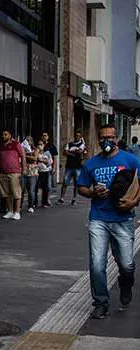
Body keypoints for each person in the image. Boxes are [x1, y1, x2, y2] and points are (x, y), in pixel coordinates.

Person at [77, 124, 140, 319]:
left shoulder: (131, 160)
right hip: (99, 219)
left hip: (123, 219)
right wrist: (92, 191)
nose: (107, 141)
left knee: (127, 264)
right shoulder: (91, 164)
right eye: (103, 137)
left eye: (111, 137)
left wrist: (133, 201)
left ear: (117, 137)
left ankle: (126, 283)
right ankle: (101, 303)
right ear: (98, 139)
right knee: (97, 264)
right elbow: (81, 187)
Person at [0, 129, 26, 220]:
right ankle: (10, 211)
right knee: (6, 193)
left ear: (10, 135)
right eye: (2, 134)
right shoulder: (0, 146)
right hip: (3, 172)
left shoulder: (16, 144)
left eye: (5, 134)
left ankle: (17, 212)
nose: (3, 136)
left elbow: (23, 156)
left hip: (14, 172)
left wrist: (23, 169)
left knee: (16, 192)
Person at [58, 130, 87, 205]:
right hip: (69, 166)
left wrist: (70, 152)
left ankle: (74, 199)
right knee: (65, 182)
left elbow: (80, 151)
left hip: (77, 167)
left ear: (80, 137)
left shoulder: (82, 144)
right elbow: (64, 152)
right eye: (76, 135)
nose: (77, 137)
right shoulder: (69, 144)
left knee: (76, 184)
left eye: (78, 136)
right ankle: (61, 198)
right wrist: (73, 152)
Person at [21, 136, 39, 213]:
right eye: (26, 140)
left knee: (31, 190)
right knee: (21, 189)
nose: (27, 141)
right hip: (24, 170)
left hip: (32, 171)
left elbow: (35, 158)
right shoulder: (22, 148)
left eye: (29, 140)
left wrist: (24, 155)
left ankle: (31, 205)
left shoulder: (35, 149)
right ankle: (19, 206)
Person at [41, 131, 59, 200]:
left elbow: (55, 157)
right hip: (40, 168)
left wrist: (54, 168)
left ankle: (47, 199)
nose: (44, 137)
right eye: (43, 136)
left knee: (48, 185)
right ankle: (43, 200)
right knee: (41, 186)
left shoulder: (51, 146)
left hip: (48, 168)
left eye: (45, 135)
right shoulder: (39, 145)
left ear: (48, 137)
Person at [36, 139, 53, 208]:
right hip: (37, 172)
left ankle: (44, 202)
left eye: (41, 144)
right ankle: (35, 202)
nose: (40, 146)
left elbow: (49, 162)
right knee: (36, 187)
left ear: (44, 145)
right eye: (38, 144)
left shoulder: (47, 153)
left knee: (45, 188)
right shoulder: (36, 152)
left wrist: (42, 160)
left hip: (45, 171)